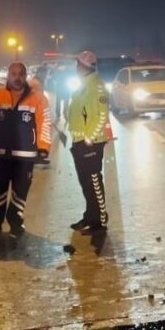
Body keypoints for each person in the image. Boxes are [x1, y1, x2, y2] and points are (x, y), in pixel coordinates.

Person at [0, 62, 52, 239]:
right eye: (13, 74)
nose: (17, 77)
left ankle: (15, 221)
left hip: (25, 156)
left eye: (20, 74)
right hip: (1, 154)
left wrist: (43, 147)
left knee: (20, 191)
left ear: (25, 76)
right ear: (8, 76)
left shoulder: (38, 98)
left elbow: (45, 124)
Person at [67, 51, 110, 233]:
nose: (76, 67)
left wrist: (89, 138)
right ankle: (89, 216)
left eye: (78, 64)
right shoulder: (82, 85)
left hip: (91, 143)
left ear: (84, 66)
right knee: (85, 183)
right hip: (79, 142)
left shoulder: (97, 86)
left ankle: (100, 220)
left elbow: (102, 116)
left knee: (93, 181)